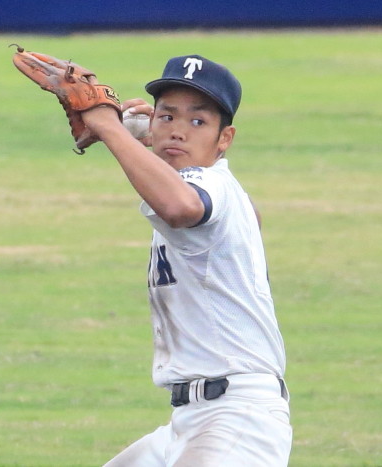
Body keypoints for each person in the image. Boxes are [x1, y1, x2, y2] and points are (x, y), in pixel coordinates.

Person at [81, 54, 291, 466]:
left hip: (237, 418)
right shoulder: (222, 192)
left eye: (198, 121)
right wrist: (142, 146)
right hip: (190, 421)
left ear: (224, 139)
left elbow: (181, 206)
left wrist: (109, 128)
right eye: (167, 117)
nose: (179, 131)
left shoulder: (207, 184)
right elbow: (243, 217)